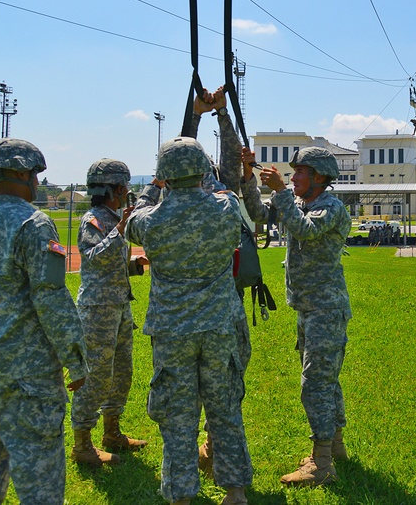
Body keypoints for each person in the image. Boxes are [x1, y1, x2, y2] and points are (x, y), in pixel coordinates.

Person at [0, 138, 87, 505]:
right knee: (38, 472)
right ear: (18, 173)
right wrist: (75, 357)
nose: (37, 181)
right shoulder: (34, 223)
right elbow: (50, 296)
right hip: (26, 372)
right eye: (33, 173)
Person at [126, 136, 251, 505]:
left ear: (163, 173)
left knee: (177, 419)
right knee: (225, 409)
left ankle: (181, 496)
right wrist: (201, 175)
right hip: (218, 324)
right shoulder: (225, 207)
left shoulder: (149, 220)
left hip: (172, 330)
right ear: (202, 171)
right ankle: (235, 491)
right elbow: (222, 193)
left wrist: (155, 184)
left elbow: (134, 216)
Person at [185, 87, 271, 479]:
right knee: (222, 378)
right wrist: (214, 113)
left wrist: (209, 114)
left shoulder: (191, 196)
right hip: (213, 306)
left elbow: (228, 161)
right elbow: (223, 163)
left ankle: (210, 446)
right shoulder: (213, 198)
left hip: (205, 305)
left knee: (215, 378)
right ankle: (213, 447)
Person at [259, 147, 352, 487]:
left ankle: (322, 464)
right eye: (293, 172)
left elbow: (304, 230)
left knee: (315, 383)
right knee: (325, 380)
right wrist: (244, 175)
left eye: (300, 172)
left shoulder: (331, 208)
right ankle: (335, 449)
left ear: (319, 178)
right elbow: (258, 212)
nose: (294, 177)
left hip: (326, 310)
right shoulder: (299, 203)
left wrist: (281, 192)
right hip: (309, 308)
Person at [70, 159, 148, 467]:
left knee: (121, 374)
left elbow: (111, 263)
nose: (128, 192)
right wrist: (118, 231)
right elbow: (92, 258)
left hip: (118, 307)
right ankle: (82, 443)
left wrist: (134, 266)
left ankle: (112, 432)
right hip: (97, 312)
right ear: (114, 189)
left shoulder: (113, 218)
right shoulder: (93, 219)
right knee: (96, 377)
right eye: (124, 187)